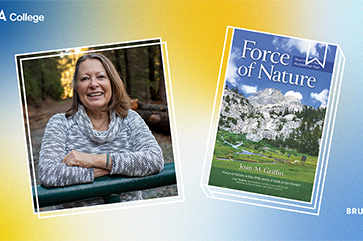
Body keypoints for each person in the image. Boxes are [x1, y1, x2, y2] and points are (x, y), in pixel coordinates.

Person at [38, 53, 164, 202]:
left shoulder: (130, 119)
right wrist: (111, 169)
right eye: (85, 78)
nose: (93, 84)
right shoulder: (60, 123)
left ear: (112, 83)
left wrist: (92, 159)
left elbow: (155, 159)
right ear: (77, 88)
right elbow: (49, 173)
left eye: (101, 77)